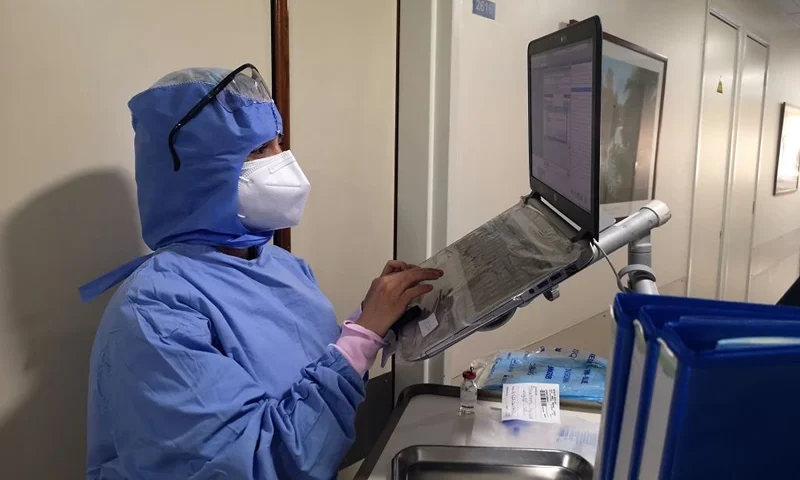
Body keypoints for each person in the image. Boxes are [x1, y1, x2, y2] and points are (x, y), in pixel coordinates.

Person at [80, 65, 441, 479]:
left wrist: (376, 318)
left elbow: (308, 376)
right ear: (197, 173)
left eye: (278, 144)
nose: (282, 164)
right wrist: (361, 340)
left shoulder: (282, 266)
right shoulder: (155, 311)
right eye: (256, 151)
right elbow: (255, 465)